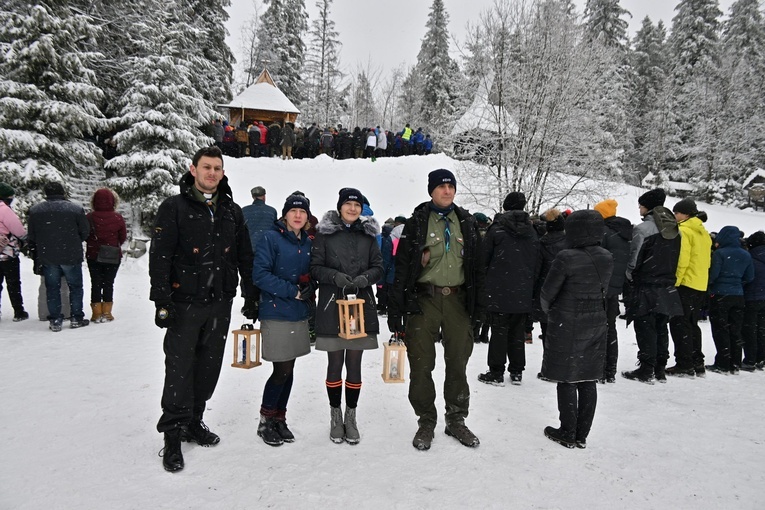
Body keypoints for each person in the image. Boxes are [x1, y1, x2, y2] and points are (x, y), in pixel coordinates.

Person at [149, 146, 258, 472]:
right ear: (193, 169)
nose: (212, 173)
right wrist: (162, 300)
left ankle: (194, 420)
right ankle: (172, 432)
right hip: (185, 303)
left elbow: (245, 256)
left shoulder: (231, 211)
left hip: (219, 302)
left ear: (222, 173)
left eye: (217, 168)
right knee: (179, 367)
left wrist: (250, 295)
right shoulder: (174, 208)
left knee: (209, 367)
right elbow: (160, 256)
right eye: (206, 167)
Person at [388, 169, 485, 451]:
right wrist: (397, 311)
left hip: (458, 300)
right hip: (424, 300)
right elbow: (402, 267)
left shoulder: (465, 221)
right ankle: (426, 421)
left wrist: (479, 309)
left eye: (451, 186)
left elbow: (478, 268)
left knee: (458, 363)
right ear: (431, 190)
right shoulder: (417, 222)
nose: (447, 191)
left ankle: (456, 420)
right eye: (441, 187)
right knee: (421, 365)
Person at [310, 188, 383, 445]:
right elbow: (315, 267)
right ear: (340, 207)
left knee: (354, 363)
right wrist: (334, 276)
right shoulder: (325, 234)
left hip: (359, 307)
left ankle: (350, 417)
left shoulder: (369, 236)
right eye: (348, 204)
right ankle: (335, 414)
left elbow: (379, 267)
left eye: (357, 204)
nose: (353, 208)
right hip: (332, 305)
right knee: (334, 363)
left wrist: (366, 278)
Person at [540, 210, 613, 449]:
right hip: (596, 319)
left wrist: (549, 311)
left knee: (567, 377)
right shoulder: (606, 256)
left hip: (567, 320)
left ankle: (567, 430)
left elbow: (548, 292)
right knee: (588, 377)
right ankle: (582, 434)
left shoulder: (566, 257)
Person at [252, 194, 314, 447]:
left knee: (289, 370)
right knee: (281, 369)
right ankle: (266, 420)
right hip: (276, 310)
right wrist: (293, 291)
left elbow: (311, 272)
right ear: (285, 214)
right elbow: (260, 274)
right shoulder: (271, 237)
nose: (298, 216)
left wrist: (311, 286)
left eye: (302, 212)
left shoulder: (308, 242)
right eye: (293, 211)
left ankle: (279, 418)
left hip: (298, 312)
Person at [477, 192, 539, 386]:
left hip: (499, 288)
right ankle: (517, 371)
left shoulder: (497, 230)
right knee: (517, 332)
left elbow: (484, 259)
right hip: (522, 289)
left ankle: (496, 371)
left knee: (499, 331)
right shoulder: (532, 231)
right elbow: (536, 261)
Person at [622, 188, 683, 384]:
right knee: (661, 326)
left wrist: (629, 276)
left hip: (646, 284)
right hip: (666, 284)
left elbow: (635, 258)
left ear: (647, 207)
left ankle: (646, 368)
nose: (639, 208)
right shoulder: (674, 229)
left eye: (640, 205)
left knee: (645, 326)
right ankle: (660, 368)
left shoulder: (643, 229)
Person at [27, 181, 90, 331]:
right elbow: (85, 232)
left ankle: (55, 319)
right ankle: (76, 317)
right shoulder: (75, 209)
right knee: (75, 286)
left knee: (52, 288)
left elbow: (32, 235)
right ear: (63, 192)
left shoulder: (35, 211)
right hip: (71, 254)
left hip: (48, 255)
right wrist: (72, 241)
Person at [667, 198, 712, 377]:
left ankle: (684, 363)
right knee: (693, 324)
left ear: (685, 214)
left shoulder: (685, 231)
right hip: (700, 284)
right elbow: (707, 261)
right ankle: (697, 361)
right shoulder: (703, 233)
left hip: (685, 283)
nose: (675, 216)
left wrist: (675, 281)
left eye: (676, 213)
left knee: (679, 324)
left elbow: (682, 259)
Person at [706, 225, 755, 374]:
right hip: (738, 296)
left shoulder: (720, 253)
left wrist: (710, 286)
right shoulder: (746, 254)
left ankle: (723, 362)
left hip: (720, 295)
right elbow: (750, 277)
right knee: (735, 330)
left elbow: (714, 275)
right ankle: (735, 362)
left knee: (721, 330)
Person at [593, 199, 632, 383]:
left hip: (600, 285)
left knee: (597, 328)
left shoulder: (604, 233)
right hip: (615, 287)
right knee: (610, 327)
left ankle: (599, 369)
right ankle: (610, 370)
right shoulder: (623, 233)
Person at [85, 188, 127, 323]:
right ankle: (107, 312)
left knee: (95, 283)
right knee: (109, 283)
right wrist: (111, 245)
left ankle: (96, 313)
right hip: (112, 255)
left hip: (93, 254)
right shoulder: (117, 217)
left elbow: (85, 235)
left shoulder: (89, 217)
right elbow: (123, 237)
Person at [0, 182, 28, 321]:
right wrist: (24, 240)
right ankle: (18, 311)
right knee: (13, 283)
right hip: (7, 253)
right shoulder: (4, 209)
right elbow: (18, 230)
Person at [742, 231, 765, 370]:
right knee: (762, 329)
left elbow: (747, 278)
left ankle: (750, 359)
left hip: (751, 298)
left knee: (749, 330)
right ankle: (761, 358)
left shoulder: (750, 258)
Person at [242, 186, 278, 253]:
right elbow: (275, 230)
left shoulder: (244, 211)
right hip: (267, 249)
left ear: (253, 197)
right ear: (264, 197)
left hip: (248, 249)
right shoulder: (272, 211)